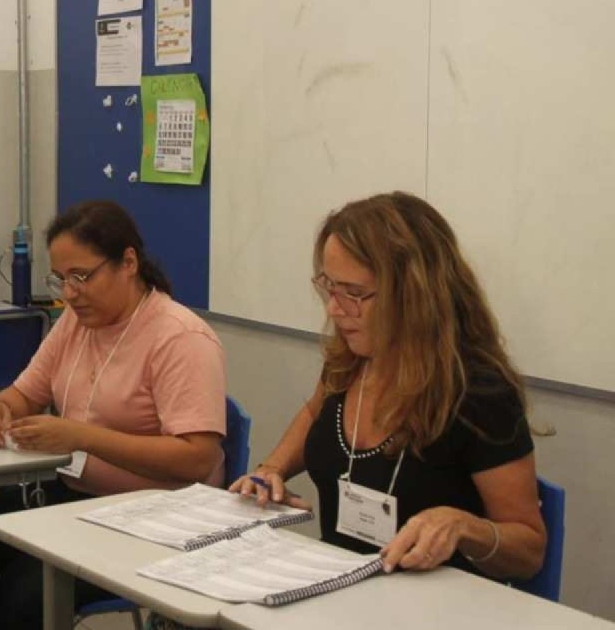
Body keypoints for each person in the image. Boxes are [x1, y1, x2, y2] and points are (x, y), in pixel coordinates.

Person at [232, 191, 546, 576]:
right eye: (329, 287)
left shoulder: (478, 393)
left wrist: (464, 526)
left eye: (355, 293)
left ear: (415, 294)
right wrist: (271, 469)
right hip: (340, 594)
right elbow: (316, 413)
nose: (334, 308)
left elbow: (529, 549)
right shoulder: (349, 362)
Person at [0, 199, 228, 629]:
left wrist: (79, 437)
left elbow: (196, 459)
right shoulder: (76, 322)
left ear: (128, 263)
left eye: (82, 277)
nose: (69, 293)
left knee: (25, 592)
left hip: (159, 520)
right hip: (82, 500)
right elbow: (25, 393)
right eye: (61, 279)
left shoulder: (180, 338)